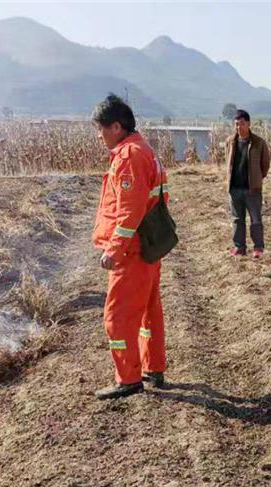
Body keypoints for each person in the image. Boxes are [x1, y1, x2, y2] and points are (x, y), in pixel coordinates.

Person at [91, 94, 170, 400]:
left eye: (101, 129)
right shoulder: (143, 149)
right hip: (147, 248)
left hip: (132, 252)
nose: (99, 137)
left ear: (116, 126)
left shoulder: (129, 156)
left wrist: (114, 249)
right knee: (149, 312)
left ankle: (128, 378)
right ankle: (153, 367)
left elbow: (129, 210)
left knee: (118, 317)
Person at [224, 109, 271, 258]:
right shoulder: (230, 141)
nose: (239, 127)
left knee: (256, 219)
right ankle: (240, 247)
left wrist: (257, 177)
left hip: (252, 189)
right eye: (236, 124)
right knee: (237, 220)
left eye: (242, 124)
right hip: (235, 188)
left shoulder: (258, 142)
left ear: (249, 124)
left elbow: (265, 165)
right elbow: (228, 161)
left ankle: (258, 248)